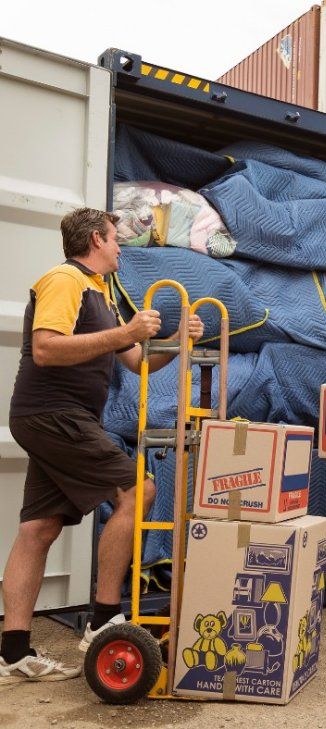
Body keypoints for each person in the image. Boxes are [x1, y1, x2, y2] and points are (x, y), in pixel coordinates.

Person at [0, 208, 203, 683]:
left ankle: (12, 655)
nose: (120, 247)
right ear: (96, 239)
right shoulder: (65, 280)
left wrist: (176, 340)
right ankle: (103, 618)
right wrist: (128, 331)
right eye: (115, 239)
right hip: (52, 413)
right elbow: (46, 347)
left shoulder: (101, 293)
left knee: (39, 528)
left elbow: (137, 364)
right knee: (139, 490)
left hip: (56, 418)